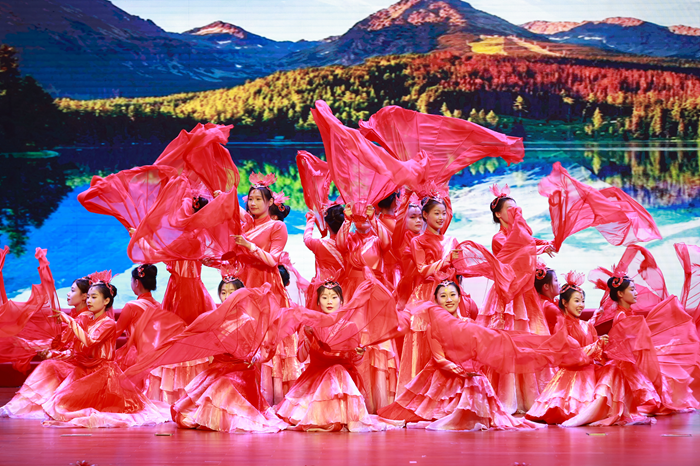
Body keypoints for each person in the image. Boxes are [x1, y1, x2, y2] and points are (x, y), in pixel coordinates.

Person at [1, 279, 170, 427]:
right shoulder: (89, 322)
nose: (89, 301)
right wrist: (51, 354)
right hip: (84, 370)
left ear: (106, 301)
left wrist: (70, 321)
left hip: (102, 374)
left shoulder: (108, 323)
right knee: (56, 401)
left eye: (94, 297)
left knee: (64, 405)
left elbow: (90, 341)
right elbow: (77, 352)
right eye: (88, 297)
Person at [379, 281, 543, 431]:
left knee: (478, 386)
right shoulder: (433, 327)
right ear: (436, 300)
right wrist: (460, 370)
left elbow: (478, 352)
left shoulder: (469, 323)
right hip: (445, 375)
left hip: (471, 374)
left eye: (452, 295)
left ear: (459, 298)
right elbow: (439, 359)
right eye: (443, 296)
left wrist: (474, 367)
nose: (448, 300)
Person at [276, 280, 405, 432]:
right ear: (318, 302)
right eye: (324, 297)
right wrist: (308, 337)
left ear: (342, 301)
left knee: (337, 369)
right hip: (314, 377)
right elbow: (301, 358)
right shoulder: (311, 324)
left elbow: (356, 361)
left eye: (334, 297)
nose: (329, 301)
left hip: (341, 378)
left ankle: (336, 415)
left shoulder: (350, 327)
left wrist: (359, 353)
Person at [233, 173, 298, 405]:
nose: (253, 203)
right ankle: (246, 394)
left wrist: (249, 246)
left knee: (268, 338)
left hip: (267, 287)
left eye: (258, 199)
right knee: (245, 335)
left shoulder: (276, 226)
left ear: (270, 202)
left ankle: (271, 397)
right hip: (245, 285)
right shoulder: (246, 226)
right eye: (250, 199)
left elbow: (272, 260)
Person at [116, 264, 207, 405]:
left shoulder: (131, 306)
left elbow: (115, 333)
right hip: (157, 357)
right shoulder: (159, 306)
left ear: (136, 282)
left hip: (139, 357)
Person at [526, 272, 608, 424]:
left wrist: (602, 344)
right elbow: (572, 355)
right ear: (564, 302)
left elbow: (595, 353)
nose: (581, 305)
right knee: (569, 410)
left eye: (583, 301)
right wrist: (597, 345)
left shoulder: (587, 326)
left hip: (590, 372)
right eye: (577, 301)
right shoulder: (561, 327)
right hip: (571, 375)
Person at [303, 204, 345, 307]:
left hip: (323, 290)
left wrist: (311, 219)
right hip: (346, 289)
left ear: (326, 224)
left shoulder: (319, 244)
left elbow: (307, 238)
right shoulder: (352, 243)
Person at [534, 265, 561, 335]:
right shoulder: (550, 308)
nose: (559, 283)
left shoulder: (540, 302)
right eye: (556, 280)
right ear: (546, 286)